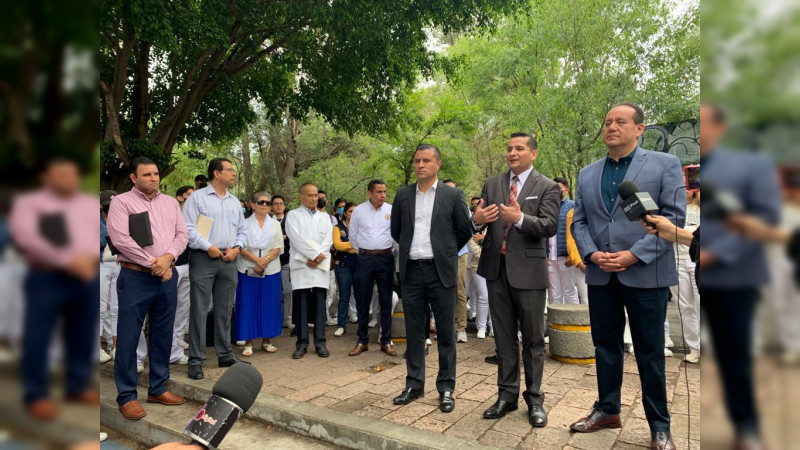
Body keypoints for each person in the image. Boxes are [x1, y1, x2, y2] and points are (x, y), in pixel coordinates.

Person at [569, 103, 685, 450]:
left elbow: (673, 219)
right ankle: (607, 409)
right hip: (601, 274)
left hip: (646, 274)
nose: (611, 127)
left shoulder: (665, 165)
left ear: (639, 128)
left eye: (620, 121)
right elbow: (580, 221)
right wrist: (591, 254)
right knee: (605, 346)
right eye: (606, 122)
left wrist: (634, 254)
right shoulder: (587, 172)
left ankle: (659, 427)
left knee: (650, 351)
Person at [696, 103, 780, 450]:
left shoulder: (753, 166)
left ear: (720, 127)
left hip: (734, 276)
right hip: (695, 269)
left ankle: (746, 426)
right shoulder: (692, 173)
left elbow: (766, 216)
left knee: (734, 354)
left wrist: (718, 254)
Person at [471, 132, 560, 428]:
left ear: (533, 154)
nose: (512, 153)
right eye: (509, 148)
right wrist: (478, 220)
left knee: (533, 339)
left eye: (519, 148)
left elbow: (549, 226)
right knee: (504, 338)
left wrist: (520, 219)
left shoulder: (547, 186)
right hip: (496, 270)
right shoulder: (493, 183)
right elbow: (481, 218)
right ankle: (506, 397)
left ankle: (535, 399)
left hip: (530, 274)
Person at [9, 158, 101, 420]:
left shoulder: (85, 204)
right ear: (46, 177)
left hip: (86, 276)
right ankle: (36, 394)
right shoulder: (31, 204)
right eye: (61, 174)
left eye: (72, 174)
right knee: (38, 335)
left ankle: (76, 386)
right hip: (46, 277)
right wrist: (67, 260)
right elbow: (27, 237)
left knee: (82, 334)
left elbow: (97, 235)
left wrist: (86, 260)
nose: (68, 179)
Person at [390, 144, 472, 413]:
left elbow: (463, 231)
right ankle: (414, 384)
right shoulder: (403, 196)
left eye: (426, 160)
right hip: (412, 271)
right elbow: (397, 231)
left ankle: (446, 387)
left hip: (441, 272)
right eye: (416, 161)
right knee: (414, 332)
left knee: (446, 333)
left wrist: (445, 252)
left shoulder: (452, 195)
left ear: (438, 164)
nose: (420, 165)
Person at [106, 156, 189, 420]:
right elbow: (121, 239)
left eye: (156, 174)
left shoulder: (170, 203)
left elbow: (182, 235)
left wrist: (168, 259)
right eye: (147, 175)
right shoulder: (121, 202)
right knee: (129, 336)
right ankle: (127, 396)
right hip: (135, 278)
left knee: (163, 333)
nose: (154, 178)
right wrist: (153, 263)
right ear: (133, 178)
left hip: (166, 276)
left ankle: (158, 388)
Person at [182, 158, 249, 381]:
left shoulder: (234, 202)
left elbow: (243, 230)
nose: (233, 173)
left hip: (229, 259)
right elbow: (189, 228)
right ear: (216, 173)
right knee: (200, 309)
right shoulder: (197, 198)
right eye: (229, 170)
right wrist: (207, 246)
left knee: (225, 308)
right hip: (203, 257)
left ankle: (225, 354)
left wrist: (238, 248)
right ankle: (196, 360)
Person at [286, 183, 333, 359]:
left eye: (316, 195)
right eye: (310, 195)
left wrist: (319, 256)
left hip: (319, 265)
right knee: (302, 306)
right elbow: (296, 239)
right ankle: (302, 343)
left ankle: (320, 343)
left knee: (320, 305)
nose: (314, 198)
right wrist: (312, 256)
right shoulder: (293, 215)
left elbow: (328, 239)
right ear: (301, 197)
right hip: (302, 264)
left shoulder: (324, 217)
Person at [348, 180, 396, 356]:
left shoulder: (391, 209)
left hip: (385, 258)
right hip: (365, 258)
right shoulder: (359, 211)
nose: (382, 195)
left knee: (386, 300)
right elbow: (353, 235)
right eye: (379, 192)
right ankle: (362, 341)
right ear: (370, 193)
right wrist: (363, 251)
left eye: (384, 192)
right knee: (362, 300)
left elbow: (395, 233)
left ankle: (386, 341)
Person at [234, 192, 284, 356]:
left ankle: (267, 340)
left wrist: (265, 261)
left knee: (269, 304)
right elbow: (241, 246)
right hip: (248, 267)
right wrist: (257, 261)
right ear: (252, 204)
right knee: (248, 304)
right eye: (260, 202)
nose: (264, 205)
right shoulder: (244, 223)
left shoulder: (275, 224)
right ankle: (248, 342)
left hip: (270, 269)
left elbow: (278, 247)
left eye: (267, 203)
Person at [669, 190, 701, 364]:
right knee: (684, 306)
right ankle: (694, 347)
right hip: (676, 260)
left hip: (699, 260)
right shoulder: (673, 208)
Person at [443, 179, 471, 343]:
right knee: (442, 292)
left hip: (459, 253)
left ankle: (461, 328)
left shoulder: (463, 207)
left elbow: (466, 231)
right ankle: (445, 327)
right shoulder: (436, 207)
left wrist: (453, 249)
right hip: (440, 255)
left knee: (459, 291)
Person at [547, 177, 578, 304]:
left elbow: (577, 232)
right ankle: (555, 323)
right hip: (550, 257)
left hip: (566, 257)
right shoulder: (547, 206)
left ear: (566, 189)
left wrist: (572, 254)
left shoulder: (573, 206)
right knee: (554, 292)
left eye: (558, 188)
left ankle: (572, 322)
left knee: (569, 290)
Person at [172, 186, 195, 360]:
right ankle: (171, 347)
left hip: (190, 264)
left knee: (183, 307)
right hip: (173, 266)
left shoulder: (196, 216)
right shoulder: (171, 215)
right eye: (188, 196)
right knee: (170, 307)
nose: (192, 200)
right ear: (180, 198)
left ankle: (178, 341)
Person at [332, 202, 359, 337]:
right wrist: (353, 245)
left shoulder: (362, 227)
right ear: (345, 213)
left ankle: (362, 325)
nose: (353, 214)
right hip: (343, 266)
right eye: (350, 211)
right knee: (344, 296)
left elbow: (365, 243)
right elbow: (337, 245)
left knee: (361, 296)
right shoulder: (338, 227)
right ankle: (341, 325)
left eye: (355, 211)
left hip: (359, 265)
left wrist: (347, 245)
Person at [271, 195, 294, 329]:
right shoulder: (268, 221)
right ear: (272, 207)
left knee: (288, 290)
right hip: (271, 261)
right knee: (274, 291)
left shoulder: (290, 221)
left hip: (287, 260)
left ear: (284, 206)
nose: (278, 205)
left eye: (281, 203)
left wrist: (286, 236)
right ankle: (276, 319)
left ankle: (288, 318)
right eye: (275, 203)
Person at [316, 189, 338, 325]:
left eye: (323, 197)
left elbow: (334, 237)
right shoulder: (310, 216)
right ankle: (316, 317)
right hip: (313, 257)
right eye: (318, 197)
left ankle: (326, 314)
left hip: (328, 256)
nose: (320, 200)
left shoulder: (332, 218)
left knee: (329, 287)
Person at [564, 208, 588, 303]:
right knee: (586, 300)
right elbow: (571, 241)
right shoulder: (572, 213)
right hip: (582, 263)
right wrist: (578, 262)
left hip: (608, 260)